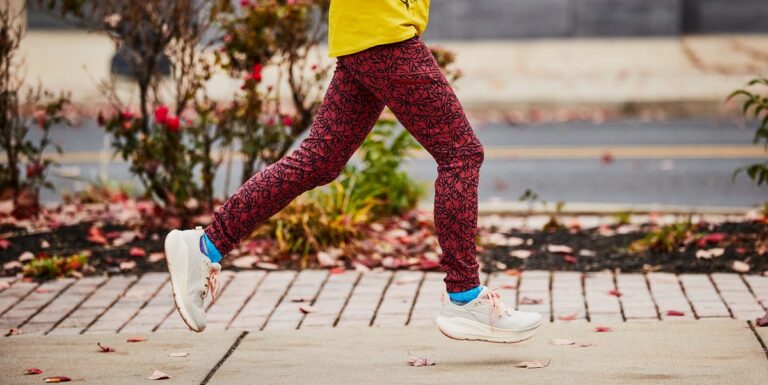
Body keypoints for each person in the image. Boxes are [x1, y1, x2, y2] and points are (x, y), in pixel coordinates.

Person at [164, 0, 542, 343]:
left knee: (321, 158)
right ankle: (464, 296)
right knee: (461, 153)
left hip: (366, 31)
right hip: (384, 32)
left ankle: (205, 246)